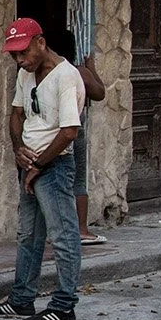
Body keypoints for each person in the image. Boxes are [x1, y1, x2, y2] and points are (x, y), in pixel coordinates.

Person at [0, 17, 85, 320]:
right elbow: (16, 114)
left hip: (53, 165)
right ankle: (22, 298)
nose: (20, 59)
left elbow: (69, 132)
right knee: (29, 234)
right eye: (15, 54)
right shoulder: (25, 74)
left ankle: (64, 305)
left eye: (23, 52)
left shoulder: (65, 76)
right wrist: (19, 150)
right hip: (29, 164)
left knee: (63, 235)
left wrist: (39, 165)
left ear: (41, 43)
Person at [50, 27, 108, 246]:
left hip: (49, 133)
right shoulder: (77, 71)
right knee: (78, 180)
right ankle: (81, 229)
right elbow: (99, 93)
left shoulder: (44, 72)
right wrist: (91, 69)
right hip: (74, 129)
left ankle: (54, 228)